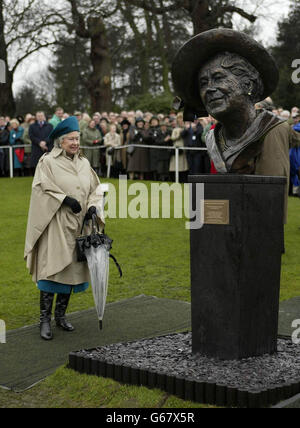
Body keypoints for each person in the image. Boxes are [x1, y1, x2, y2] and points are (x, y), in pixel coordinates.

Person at [172, 28, 300, 220]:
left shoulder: (271, 130)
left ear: (248, 85)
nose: (209, 89)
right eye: (203, 83)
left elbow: (270, 208)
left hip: (255, 238)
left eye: (218, 78)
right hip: (224, 238)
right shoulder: (212, 137)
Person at [24, 116, 105, 341]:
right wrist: (65, 199)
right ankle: (44, 320)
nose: (75, 143)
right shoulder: (47, 162)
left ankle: (60, 316)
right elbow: (42, 189)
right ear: (60, 141)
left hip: (80, 226)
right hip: (57, 226)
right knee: (52, 271)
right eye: (71, 139)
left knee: (71, 272)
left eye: (77, 139)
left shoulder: (84, 162)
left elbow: (96, 189)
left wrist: (92, 208)